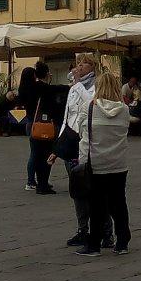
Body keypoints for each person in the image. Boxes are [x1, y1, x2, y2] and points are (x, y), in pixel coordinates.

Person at [73, 72, 133, 257]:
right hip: (118, 163)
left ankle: (94, 244)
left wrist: (82, 160)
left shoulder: (90, 107)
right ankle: (122, 241)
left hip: (96, 162)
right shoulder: (124, 109)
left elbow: (84, 137)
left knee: (96, 205)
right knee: (118, 203)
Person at [53, 53, 104, 249]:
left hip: (87, 141)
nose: (80, 67)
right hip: (71, 140)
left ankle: (103, 231)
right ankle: (82, 229)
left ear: (92, 67)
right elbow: (67, 115)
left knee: (92, 190)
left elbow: (91, 103)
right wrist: (59, 144)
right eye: (79, 64)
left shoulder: (94, 86)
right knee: (77, 190)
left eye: (84, 64)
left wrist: (78, 84)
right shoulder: (74, 87)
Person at [18, 67, 55, 195]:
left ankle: (35, 180)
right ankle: (31, 181)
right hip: (40, 123)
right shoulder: (36, 88)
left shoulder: (23, 89)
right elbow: (50, 91)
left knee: (35, 153)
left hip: (30, 122)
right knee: (38, 154)